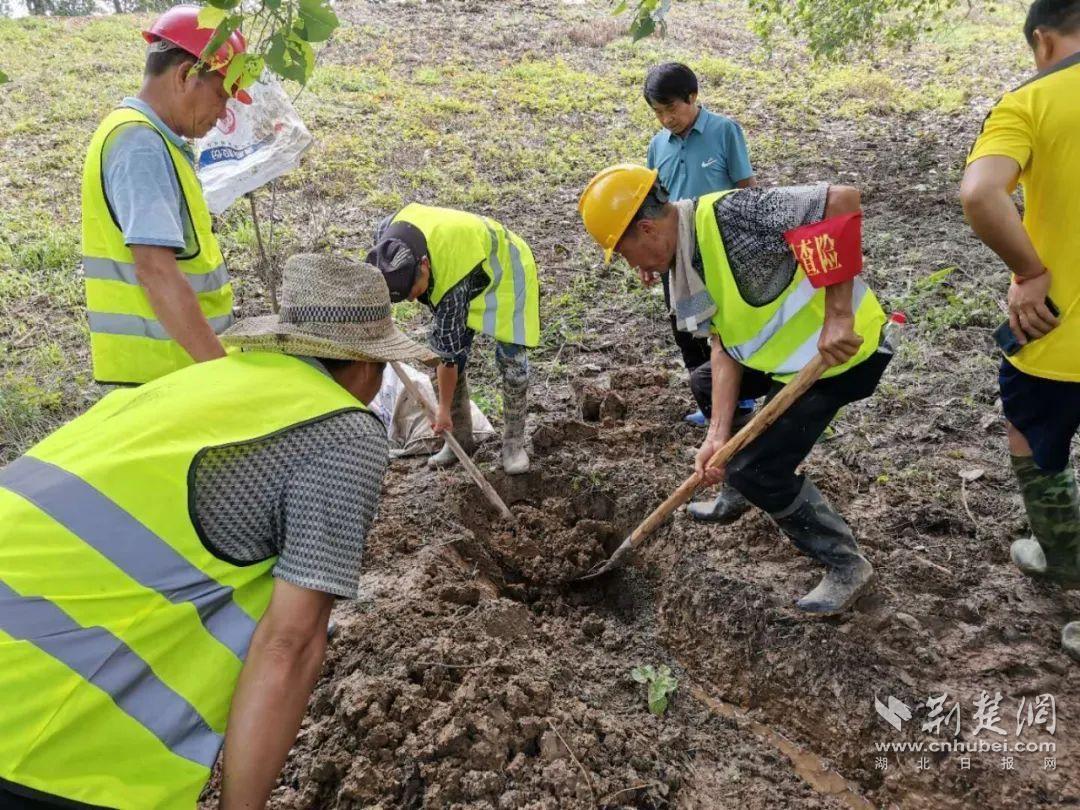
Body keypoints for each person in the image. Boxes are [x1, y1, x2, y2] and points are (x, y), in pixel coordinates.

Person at [0, 255, 434, 809]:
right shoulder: (342, 430)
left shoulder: (203, 382)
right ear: (365, 367)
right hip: (40, 724)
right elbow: (290, 644)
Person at [579, 164, 891, 615]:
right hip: (778, 358)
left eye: (626, 255)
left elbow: (841, 199)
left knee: (759, 468)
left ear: (647, 229)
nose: (633, 268)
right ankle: (738, 484)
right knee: (704, 381)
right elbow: (723, 342)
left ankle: (846, 565)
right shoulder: (684, 262)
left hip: (839, 357)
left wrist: (838, 313)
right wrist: (717, 436)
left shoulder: (732, 216)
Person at [960, 0, 1080, 660]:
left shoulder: (1030, 102)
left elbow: (981, 194)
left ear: (1042, 39)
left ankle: (1059, 551)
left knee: (1036, 443)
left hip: (1055, 334)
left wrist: (1028, 269)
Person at [81, 5, 248, 385]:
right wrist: (219, 371)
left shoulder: (151, 140)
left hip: (172, 372)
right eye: (222, 95)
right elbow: (156, 270)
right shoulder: (140, 144)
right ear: (186, 75)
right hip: (165, 376)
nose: (223, 114)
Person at [367, 203, 540, 475]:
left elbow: (448, 358)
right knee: (445, 345)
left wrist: (443, 411)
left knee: (512, 362)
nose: (413, 299)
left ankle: (513, 445)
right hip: (466, 269)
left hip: (505, 267)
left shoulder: (450, 287)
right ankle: (461, 441)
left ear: (423, 265)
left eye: (414, 290)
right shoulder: (385, 244)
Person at [644, 62, 757, 426]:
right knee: (689, 324)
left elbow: (745, 190)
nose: (665, 120)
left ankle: (740, 398)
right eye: (658, 113)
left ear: (693, 97)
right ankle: (708, 398)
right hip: (679, 255)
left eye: (671, 109)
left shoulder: (723, 132)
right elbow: (654, 206)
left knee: (724, 324)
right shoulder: (657, 146)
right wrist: (651, 258)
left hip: (719, 249)